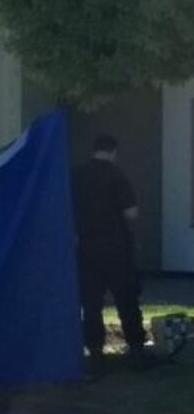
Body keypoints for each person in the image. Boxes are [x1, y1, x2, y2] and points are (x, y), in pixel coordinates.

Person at [72, 134, 148, 370]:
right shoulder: (117, 175)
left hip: (86, 248)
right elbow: (131, 214)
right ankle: (136, 350)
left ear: (94, 149)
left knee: (91, 303)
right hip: (116, 249)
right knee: (126, 299)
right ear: (114, 151)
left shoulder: (76, 175)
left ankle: (95, 352)